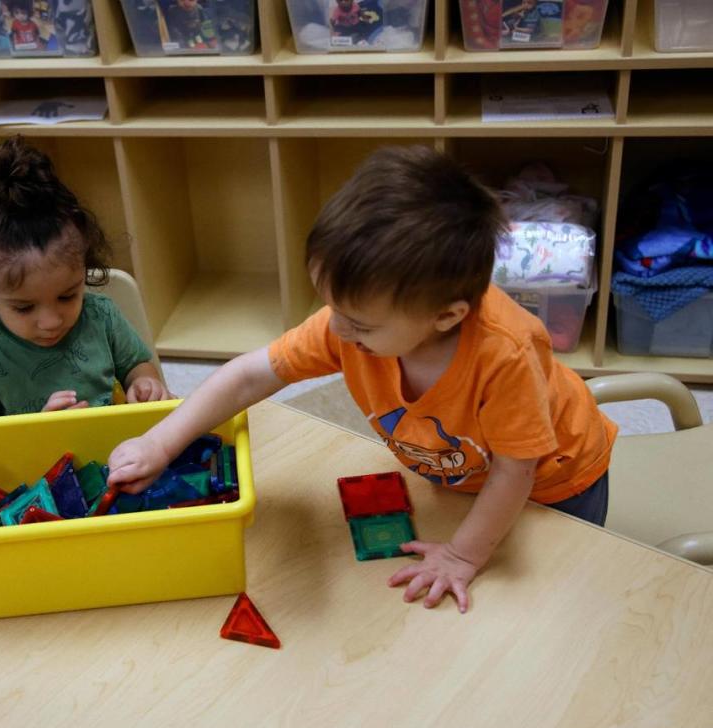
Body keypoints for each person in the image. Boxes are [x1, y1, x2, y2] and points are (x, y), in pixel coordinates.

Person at [106, 146, 616, 614]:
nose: (338, 330)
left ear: (445, 316)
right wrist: (160, 441)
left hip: (556, 479)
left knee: (551, 604)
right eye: (332, 308)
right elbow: (247, 377)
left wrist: (462, 556)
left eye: (359, 323)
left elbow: (515, 472)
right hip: (466, 474)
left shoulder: (504, 356)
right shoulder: (351, 325)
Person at [0, 136, 170, 425]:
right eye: (24, 308)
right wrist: (43, 432)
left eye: (67, 296)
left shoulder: (101, 316)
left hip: (118, 452)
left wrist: (144, 383)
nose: (52, 322)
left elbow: (137, 365)